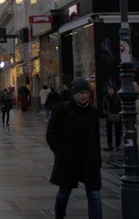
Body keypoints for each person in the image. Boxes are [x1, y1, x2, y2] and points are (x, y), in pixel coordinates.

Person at [46, 77, 102, 219]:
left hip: (89, 160)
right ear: (73, 93)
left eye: (86, 92)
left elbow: (96, 137)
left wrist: (97, 157)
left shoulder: (93, 112)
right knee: (63, 194)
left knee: (94, 195)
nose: (84, 96)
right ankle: (59, 216)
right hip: (68, 159)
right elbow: (51, 134)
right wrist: (60, 152)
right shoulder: (61, 110)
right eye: (80, 93)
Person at [101, 85, 122, 151]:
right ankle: (110, 145)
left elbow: (120, 105)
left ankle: (117, 145)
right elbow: (104, 106)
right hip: (109, 115)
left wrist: (119, 113)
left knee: (117, 132)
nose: (110, 90)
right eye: (109, 89)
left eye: (112, 89)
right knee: (109, 131)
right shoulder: (106, 98)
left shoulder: (117, 97)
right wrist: (106, 114)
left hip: (117, 115)